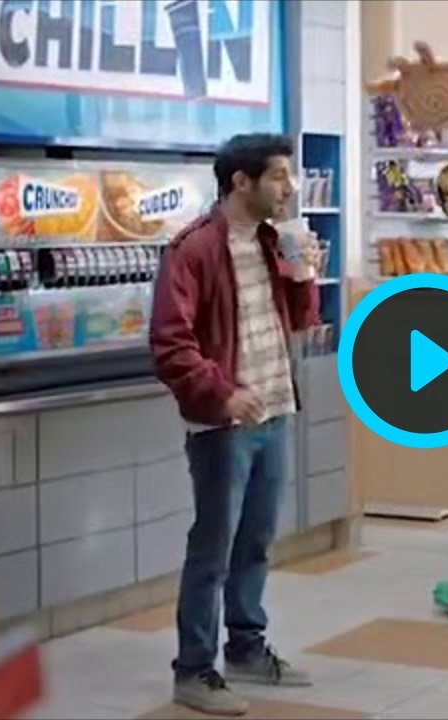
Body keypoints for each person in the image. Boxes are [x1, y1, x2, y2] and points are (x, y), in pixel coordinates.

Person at [150, 133, 319, 716]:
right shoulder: (193, 249)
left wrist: (303, 272)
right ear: (241, 182)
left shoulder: (274, 241)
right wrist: (223, 394)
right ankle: (193, 669)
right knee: (213, 548)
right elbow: (170, 345)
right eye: (279, 176)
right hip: (223, 425)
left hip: (275, 409)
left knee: (256, 541)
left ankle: (246, 647)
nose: (290, 187)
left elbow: (301, 321)